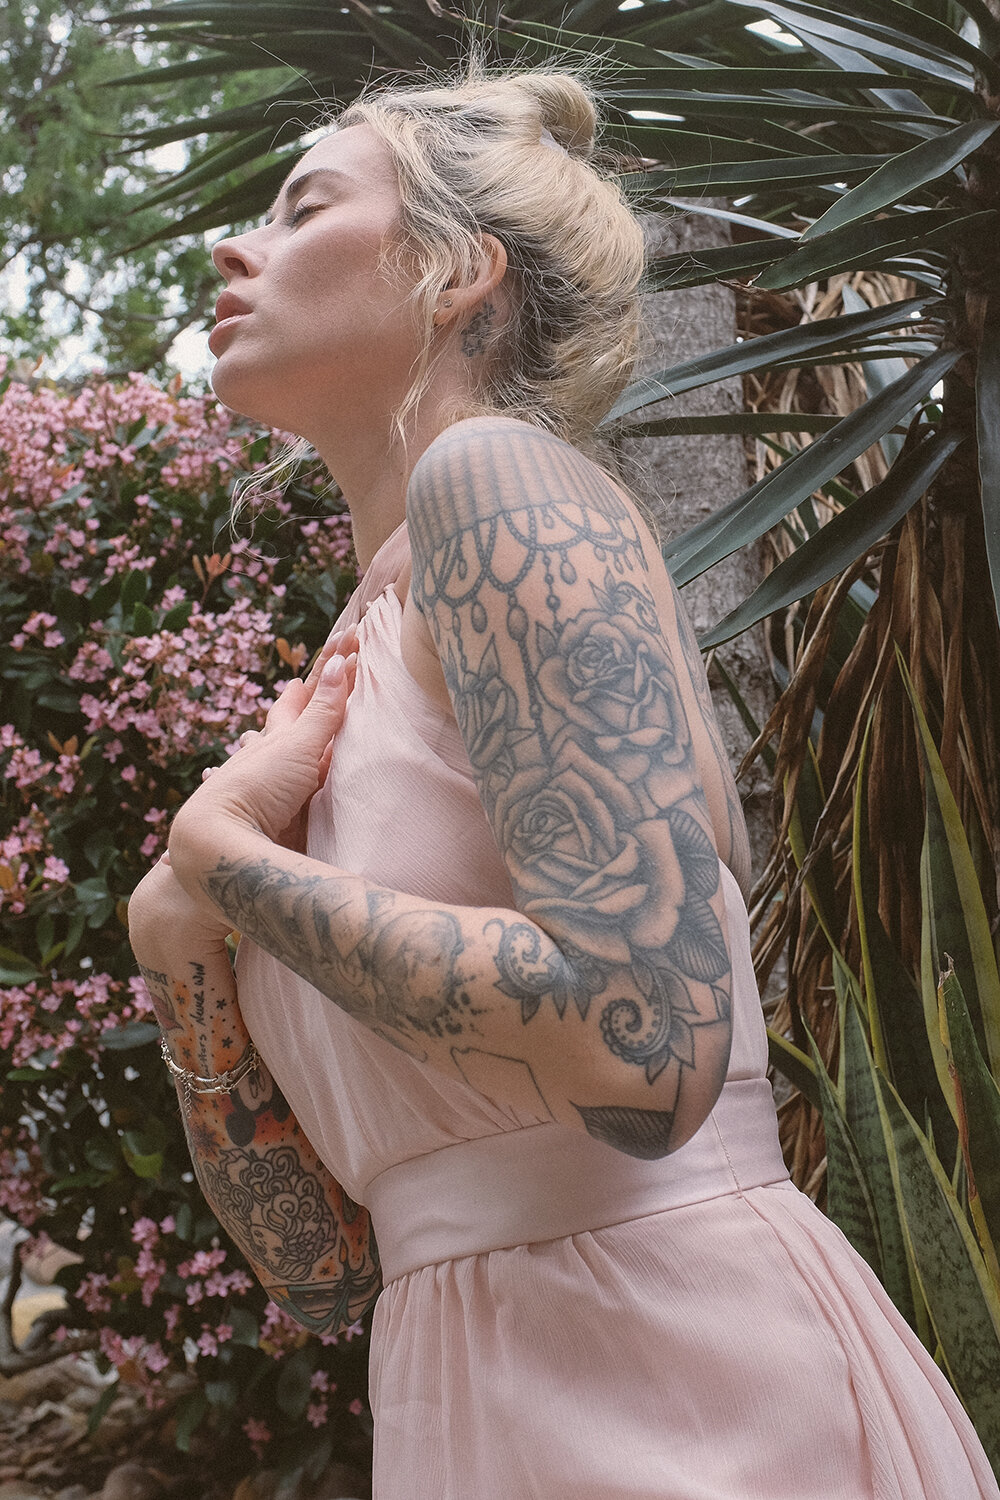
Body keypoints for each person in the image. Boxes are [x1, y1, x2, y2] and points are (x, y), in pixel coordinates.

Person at [126, 64, 1000, 1500]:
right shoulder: (358, 650)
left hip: (680, 1389)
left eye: (303, 207)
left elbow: (645, 1047)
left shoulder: (498, 488)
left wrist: (229, 861)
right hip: (466, 1394)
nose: (234, 248)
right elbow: (331, 1271)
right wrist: (180, 952)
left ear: (459, 271)